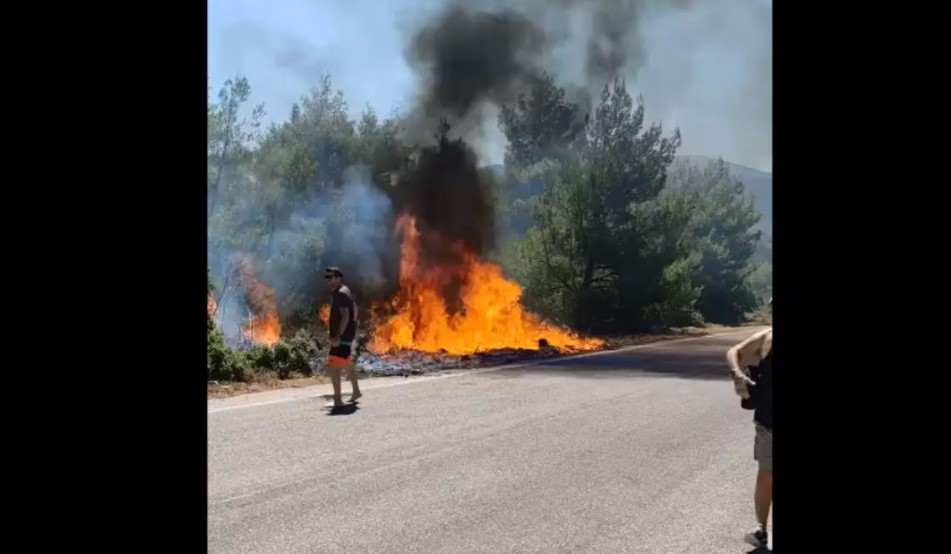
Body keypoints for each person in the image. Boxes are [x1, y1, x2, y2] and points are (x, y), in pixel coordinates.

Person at [726, 298, 772, 548]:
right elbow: (734, 352)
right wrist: (737, 374)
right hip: (769, 421)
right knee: (766, 475)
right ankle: (762, 529)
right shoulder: (767, 338)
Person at [324, 266, 361, 407]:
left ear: (339, 278)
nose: (328, 281)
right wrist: (353, 328)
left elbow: (345, 315)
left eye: (331, 277)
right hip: (347, 335)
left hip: (341, 337)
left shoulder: (339, 293)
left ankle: (338, 400)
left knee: (333, 368)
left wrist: (339, 335)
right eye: (326, 278)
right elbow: (355, 308)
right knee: (346, 363)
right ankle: (356, 391)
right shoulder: (345, 290)